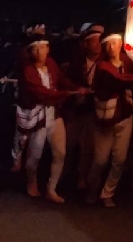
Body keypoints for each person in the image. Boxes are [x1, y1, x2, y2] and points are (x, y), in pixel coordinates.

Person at [87, 33, 133, 208]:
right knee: (100, 159)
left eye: (114, 43)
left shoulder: (127, 61)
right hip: (106, 119)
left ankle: (107, 193)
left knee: (119, 159)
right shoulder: (103, 66)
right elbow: (124, 80)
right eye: (108, 44)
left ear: (120, 44)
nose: (111, 48)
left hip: (124, 116)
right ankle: (92, 189)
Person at [18, 38, 87, 203]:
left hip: (54, 114)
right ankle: (32, 181)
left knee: (60, 152)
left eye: (42, 48)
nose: (39, 52)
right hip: (38, 116)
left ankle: (51, 188)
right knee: (34, 156)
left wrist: (75, 88)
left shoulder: (51, 63)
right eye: (35, 49)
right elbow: (41, 93)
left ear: (48, 49)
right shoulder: (28, 69)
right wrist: (65, 94)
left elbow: (61, 80)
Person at [64, 23, 104, 190]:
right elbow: (68, 81)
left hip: (95, 110)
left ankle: (82, 177)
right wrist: (77, 90)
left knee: (88, 146)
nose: (97, 44)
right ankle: (65, 176)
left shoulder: (105, 62)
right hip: (78, 109)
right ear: (86, 44)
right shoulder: (77, 62)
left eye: (99, 41)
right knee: (69, 144)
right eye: (93, 41)